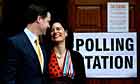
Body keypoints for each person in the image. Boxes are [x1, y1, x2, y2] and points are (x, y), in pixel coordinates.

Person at [5, 4, 51, 84]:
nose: (49, 26)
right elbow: (9, 78)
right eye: (48, 21)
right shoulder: (14, 43)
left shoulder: (42, 45)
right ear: (39, 19)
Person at [47, 18, 86, 84]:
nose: (55, 32)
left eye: (58, 29)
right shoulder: (46, 55)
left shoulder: (77, 57)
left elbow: (82, 81)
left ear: (66, 33)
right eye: (52, 30)